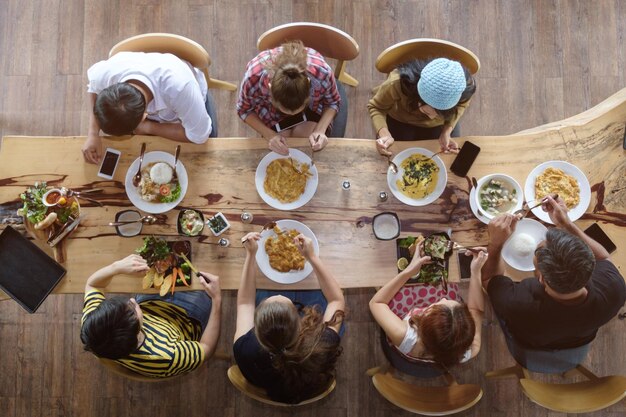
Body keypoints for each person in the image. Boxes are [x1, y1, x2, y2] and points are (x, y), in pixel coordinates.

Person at [481, 196, 626, 352]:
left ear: (541, 279)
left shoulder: (517, 302)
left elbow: (489, 279)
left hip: (530, 344)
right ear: (590, 263)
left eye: (535, 264)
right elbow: (604, 258)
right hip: (582, 337)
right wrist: (566, 223)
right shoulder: (615, 287)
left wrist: (496, 244)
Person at [233, 232, 345, 403]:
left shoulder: (245, 349)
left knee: (264, 288)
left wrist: (251, 255)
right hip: (308, 376)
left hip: (271, 382)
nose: (279, 293)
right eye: (291, 305)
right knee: (330, 307)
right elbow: (337, 300)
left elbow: (245, 304)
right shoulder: (322, 344)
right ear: (300, 323)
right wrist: (312, 256)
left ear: (257, 330)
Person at [80, 254, 222, 378]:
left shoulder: (93, 325)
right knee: (207, 269)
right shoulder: (168, 356)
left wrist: (116, 267)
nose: (132, 300)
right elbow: (206, 348)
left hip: (151, 305)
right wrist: (217, 300)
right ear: (137, 332)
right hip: (187, 317)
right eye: (132, 310)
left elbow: (93, 285)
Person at [82, 51, 218, 164]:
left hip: (192, 102)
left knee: (208, 147)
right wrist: (93, 133)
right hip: (155, 113)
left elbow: (200, 135)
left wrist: (149, 127)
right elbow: (93, 87)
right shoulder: (107, 73)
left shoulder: (180, 89)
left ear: (143, 116)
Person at [369, 247, 487, 372]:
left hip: (404, 345)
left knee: (390, 287)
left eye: (439, 304)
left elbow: (377, 303)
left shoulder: (406, 336)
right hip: (438, 357)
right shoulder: (471, 348)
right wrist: (475, 271)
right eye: (453, 303)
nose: (443, 299)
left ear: (423, 324)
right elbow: (476, 309)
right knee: (446, 287)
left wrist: (409, 271)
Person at [236, 41, 342, 156]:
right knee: (281, 146)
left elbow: (333, 102)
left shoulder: (322, 72)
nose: (292, 116)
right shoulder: (253, 77)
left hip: (312, 109)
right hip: (272, 115)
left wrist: (320, 131)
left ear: (309, 84)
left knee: (305, 141)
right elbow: (244, 110)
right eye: (285, 110)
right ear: (270, 88)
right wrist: (270, 135)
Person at [368, 57, 476, 156]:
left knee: (447, 157)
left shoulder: (464, 89)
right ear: (418, 96)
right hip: (401, 119)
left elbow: (462, 106)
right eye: (428, 112)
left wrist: (447, 131)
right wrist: (384, 134)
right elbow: (376, 107)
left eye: (441, 112)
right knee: (396, 153)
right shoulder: (396, 83)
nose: (432, 117)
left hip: (440, 125)